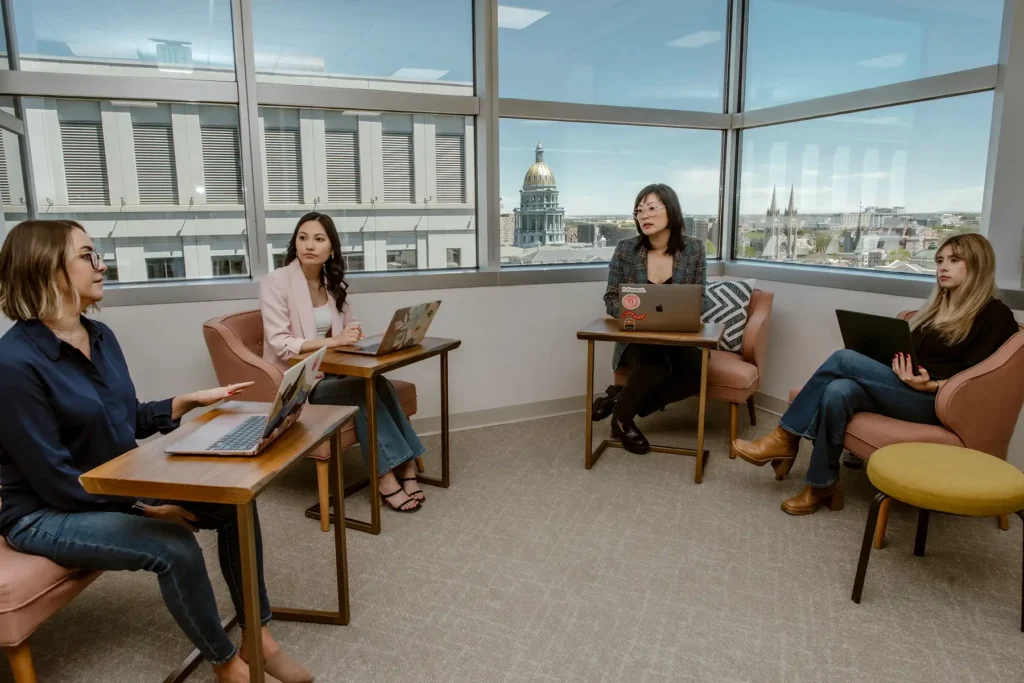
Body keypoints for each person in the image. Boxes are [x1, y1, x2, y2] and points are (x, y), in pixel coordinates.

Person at [0, 220, 313, 683]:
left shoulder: (99, 337)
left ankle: (258, 635)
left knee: (234, 506)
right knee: (175, 546)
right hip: (43, 513)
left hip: (111, 485)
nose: (101, 264)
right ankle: (226, 665)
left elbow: (119, 418)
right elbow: (56, 482)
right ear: (47, 269)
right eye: (87, 255)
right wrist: (144, 507)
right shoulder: (13, 365)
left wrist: (182, 403)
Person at [732, 233, 1019, 515]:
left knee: (843, 359)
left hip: (939, 403)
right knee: (838, 391)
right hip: (907, 390)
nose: (942, 267)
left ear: (978, 264)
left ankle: (785, 436)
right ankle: (822, 485)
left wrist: (932, 385)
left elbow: (980, 379)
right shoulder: (936, 310)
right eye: (939, 260)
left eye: (954, 260)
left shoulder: (995, 315)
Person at [260, 212, 426, 513]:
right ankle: (386, 477)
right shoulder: (276, 282)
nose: (309, 245)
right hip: (301, 383)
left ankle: (407, 468)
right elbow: (281, 344)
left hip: (333, 371)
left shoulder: (330, 281)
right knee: (358, 391)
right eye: (303, 237)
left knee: (380, 382)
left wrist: (354, 333)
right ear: (294, 242)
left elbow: (351, 322)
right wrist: (333, 342)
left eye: (319, 239)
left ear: (332, 249)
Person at [592, 183, 708, 454]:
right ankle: (621, 421)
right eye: (639, 210)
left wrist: (685, 309)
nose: (644, 216)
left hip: (676, 337)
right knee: (656, 366)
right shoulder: (625, 249)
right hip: (636, 338)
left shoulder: (694, 250)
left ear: (672, 211)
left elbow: (703, 300)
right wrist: (633, 313)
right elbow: (611, 298)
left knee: (698, 370)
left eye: (652, 208)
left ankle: (619, 401)